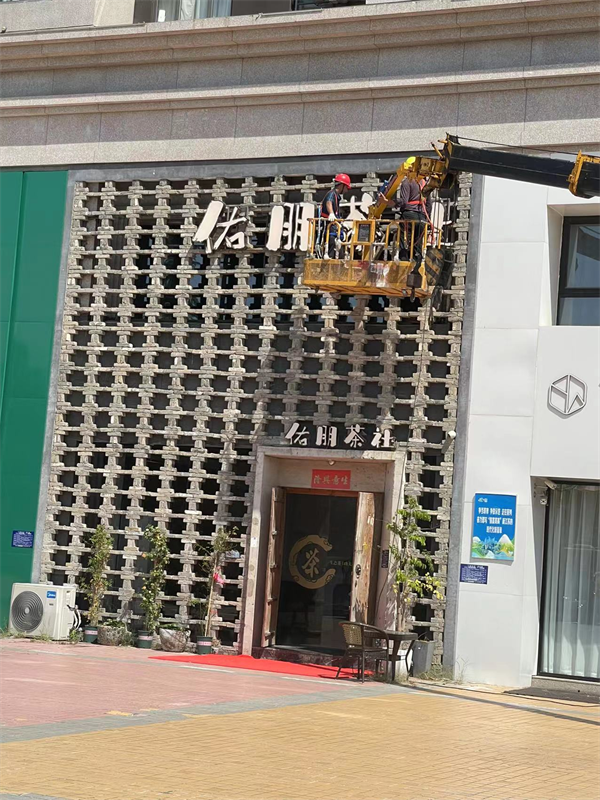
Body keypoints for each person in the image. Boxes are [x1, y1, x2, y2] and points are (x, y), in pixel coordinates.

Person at [318, 173, 351, 258]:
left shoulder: (336, 196)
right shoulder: (331, 194)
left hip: (333, 225)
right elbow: (328, 202)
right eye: (346, 187)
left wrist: (341, 222)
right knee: (331, 240)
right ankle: (328, 256)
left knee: (340, 239)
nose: (346, 190)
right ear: (342, 185)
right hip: (328, 225)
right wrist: (331, 213)